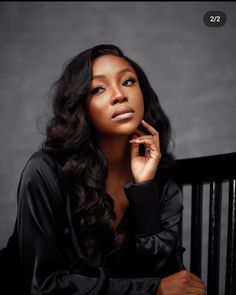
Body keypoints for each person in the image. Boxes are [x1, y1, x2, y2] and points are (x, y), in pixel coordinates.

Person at [0, 44, 206, 294]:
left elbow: (169, 278)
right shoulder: (45, 171)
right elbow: (43, 286)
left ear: (144, 94)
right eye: (98, 89)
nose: (119, 95)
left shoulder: (160, 183)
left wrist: (144, 189)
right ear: (81, 107)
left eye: (128, 82)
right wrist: (152, 290)